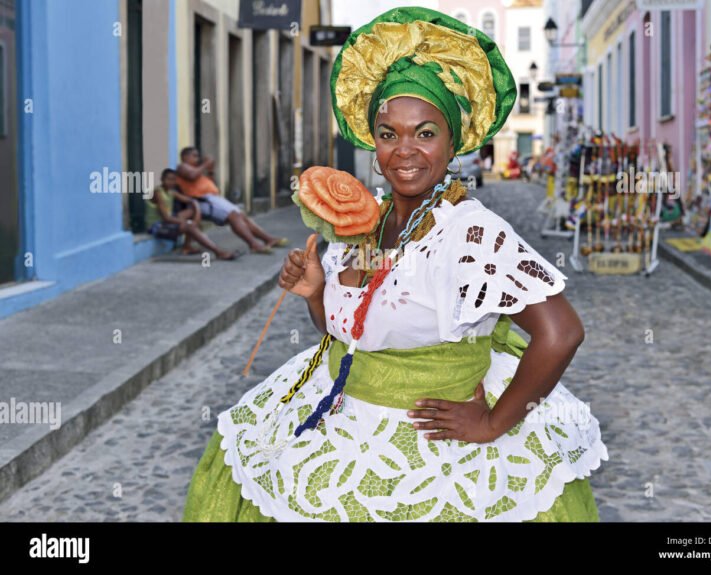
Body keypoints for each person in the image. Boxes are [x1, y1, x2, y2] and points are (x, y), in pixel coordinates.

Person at [182, 6, 608, 522]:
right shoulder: (365, 224)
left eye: (425, 133)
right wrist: (317, 293)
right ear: (373, 141)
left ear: (454, 143)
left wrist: (493, 424)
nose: (404, 150)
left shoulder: (470, 234)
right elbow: (351, 332)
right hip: (341, 427)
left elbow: (561, 333)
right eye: (389, 134)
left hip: (433, 458)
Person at [175, 147, 290, 254]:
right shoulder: (183, 167)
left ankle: (268, 239)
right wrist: (205, 164)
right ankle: (254, 244)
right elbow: (191, 175)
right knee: (234, 216)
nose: (197, 159)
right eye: (194, 156)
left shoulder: (196, 169)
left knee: (241, 216)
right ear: (185, 157)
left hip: (213, 198)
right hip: (203, 200)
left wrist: (210, 171)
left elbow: (206, 181)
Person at [145, 169, 241, 261]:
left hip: (167, 221)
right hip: (156, 226)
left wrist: (196, 209)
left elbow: (191, 200)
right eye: (168, 179)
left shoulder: (171, 191)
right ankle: (219, 252)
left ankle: (187, 247)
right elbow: (166, 218)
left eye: (174, 180)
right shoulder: (157, 193)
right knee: (190, 226)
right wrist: (189, 223)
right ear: (162, 179)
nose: (171, 182)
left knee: (190, 213)